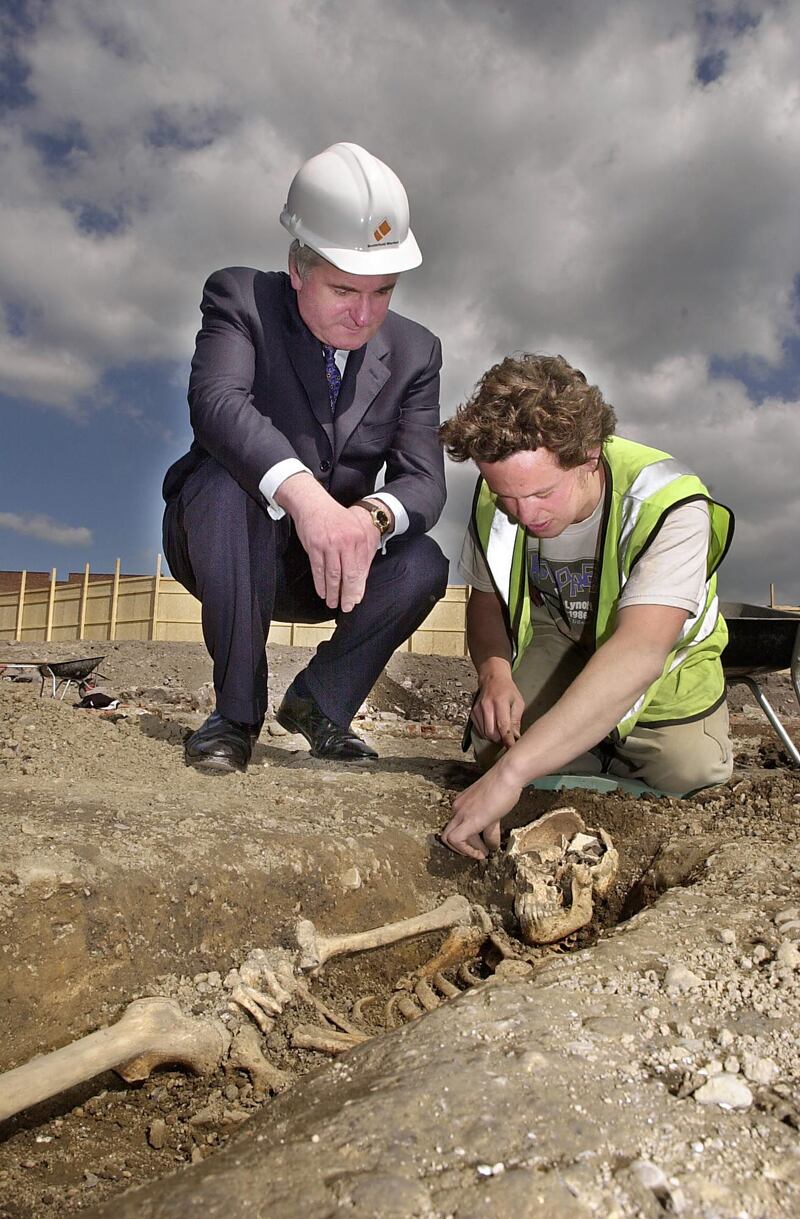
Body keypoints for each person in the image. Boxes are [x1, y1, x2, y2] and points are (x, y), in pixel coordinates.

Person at [163, 142, 448, 773]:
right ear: (297, 268)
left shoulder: (417, 352)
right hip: (221, 544)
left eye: (384, 292)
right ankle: (234, 715)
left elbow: (425, 483)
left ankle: (320, 704)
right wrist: (306, 497)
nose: (364, 314)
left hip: (326, 566)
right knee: (221, 482)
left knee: (424, 560)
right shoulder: (240, 300)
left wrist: (367, 517)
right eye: (345, 289)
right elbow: (216, 403)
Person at [438, 354, 734, 859]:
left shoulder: (671, 502)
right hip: (561, 632)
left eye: (541, 493)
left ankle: (588, 743)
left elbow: (640, 651)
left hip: (663, 655)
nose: (524, 514)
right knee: (495, 744)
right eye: (505, 495)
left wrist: (513, 777)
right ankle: (579, 741)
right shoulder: (500, 497)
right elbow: (484, 602)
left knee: (690, 775)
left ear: (589, 457)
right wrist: (494, 674)